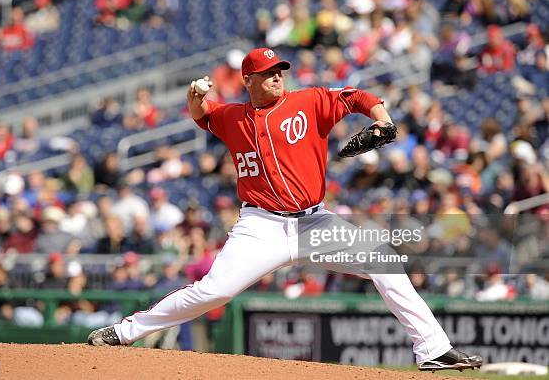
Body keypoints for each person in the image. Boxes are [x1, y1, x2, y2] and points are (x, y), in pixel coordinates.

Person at [87, 47, 483, 372]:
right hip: (261, 226)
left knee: (383, 260)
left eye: (280, 70)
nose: (278, 76)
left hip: (315, 220)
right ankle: (125, 332)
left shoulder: (309, 101)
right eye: (269, 72)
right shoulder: (233, 116)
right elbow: (204, 117)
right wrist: (194, 99)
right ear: (248, 80)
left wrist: (383, 120)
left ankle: (433, 350)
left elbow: (358, 97)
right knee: (213, 291)